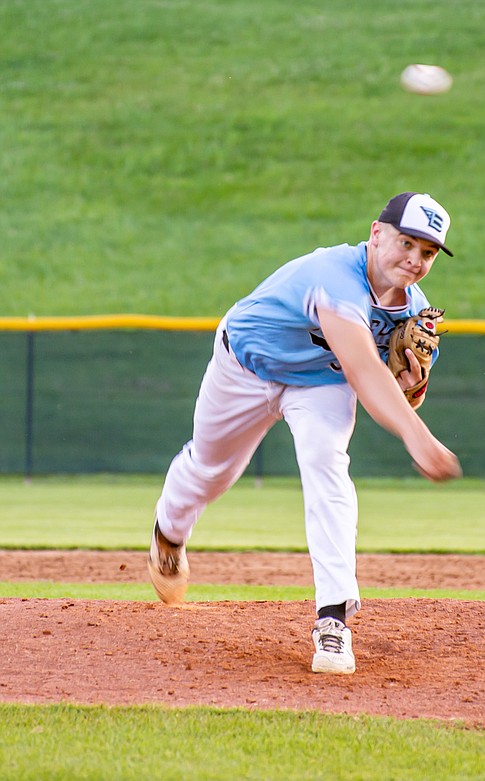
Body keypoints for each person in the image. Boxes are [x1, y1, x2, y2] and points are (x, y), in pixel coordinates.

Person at [148, 192, 462, 674]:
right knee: (213, 470)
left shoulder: (414, 314)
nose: (415, 260)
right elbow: (363, 370)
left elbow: (399, 389)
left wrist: (414, 383)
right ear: (376, 233)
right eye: (407, 243)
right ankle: (169, 533)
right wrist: (418, 437)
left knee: (327, 464)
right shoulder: (334, 276)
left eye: (427, 253)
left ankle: (333, 619)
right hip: (244, 367)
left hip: (320, 385)